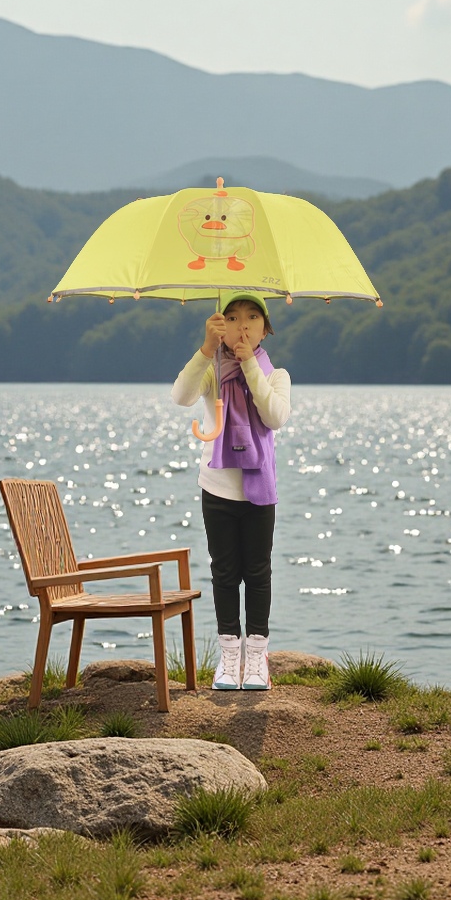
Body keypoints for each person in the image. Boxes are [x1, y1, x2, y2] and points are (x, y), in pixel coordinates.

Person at [171, 291, 292, 690]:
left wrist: (247, 366)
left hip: (260, 491)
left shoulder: (276, 375)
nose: (243, 325)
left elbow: (274, 416)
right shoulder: (212, 372)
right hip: (218, 488)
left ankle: (256, 658)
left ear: (264, 329)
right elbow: (181, 396)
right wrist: (207, 349)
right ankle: (228, 657)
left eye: (253, 317)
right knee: (224, 573)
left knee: (258, 574)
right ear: (221, 327)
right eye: (234, 317)